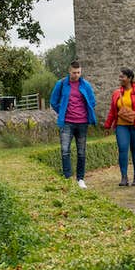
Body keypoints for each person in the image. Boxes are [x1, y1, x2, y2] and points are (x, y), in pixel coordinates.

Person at [49, 60, 96, 188]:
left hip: (82, 123)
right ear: (69, 71)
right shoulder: (62, 84)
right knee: (65, 150)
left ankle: (80, 179)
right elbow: (53, 101)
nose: (76, 75)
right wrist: (63, 111)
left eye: (79, 72)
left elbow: (92, 101)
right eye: (74, 72)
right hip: (67, 123)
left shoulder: (85, 85)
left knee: (81, 151)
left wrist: (85, 113)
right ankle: (68, 178)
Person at [102, 67, 135, 186]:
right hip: (121, 126)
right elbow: (112, 111)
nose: (120, 79)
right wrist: (107, 126)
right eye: (120, 76)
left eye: (122, 76)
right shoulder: (116, 93)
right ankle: (124, 177)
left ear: (129, 78)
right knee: (123, 149)